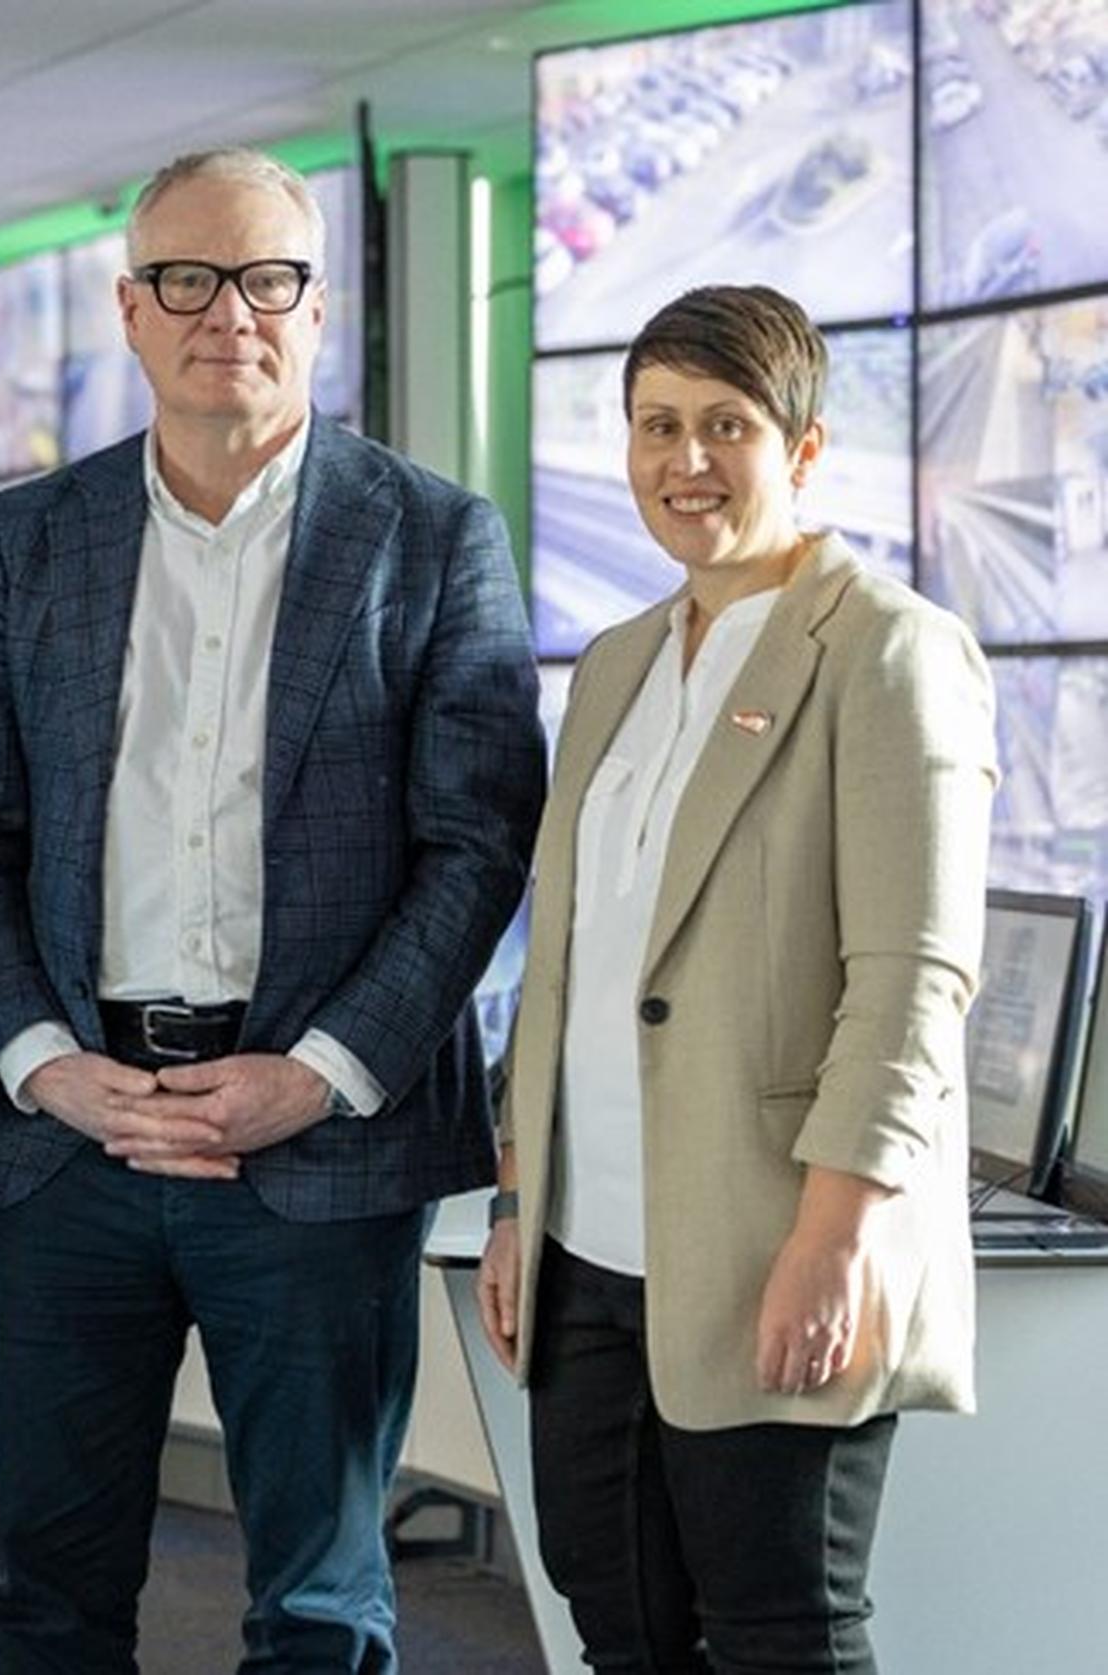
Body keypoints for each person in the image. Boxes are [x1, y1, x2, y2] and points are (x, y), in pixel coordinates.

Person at [0, 146, 546, 1672]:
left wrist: (319, 1074)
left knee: (322, 1606)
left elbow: (476, 844)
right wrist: (37, 1060)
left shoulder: (432, 536)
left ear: (317, 306)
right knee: (49, 1600)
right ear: (131, 310)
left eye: (267, 278)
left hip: (319, 1148)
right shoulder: (31, 538)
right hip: (73, 1140)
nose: (231, 314)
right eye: (188, 281)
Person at [477, 284, 996, 1673]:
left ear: (804, 451)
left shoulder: (886, 651)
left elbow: (914, 978)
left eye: (727, 426)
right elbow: (573, 961)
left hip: (772, 1235)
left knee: (778, 1635)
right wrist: (524, 1196)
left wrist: (836, 1238)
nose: (685, 460)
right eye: (657, 427)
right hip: (592, 1248)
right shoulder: (617, 665)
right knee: (616, 1613)